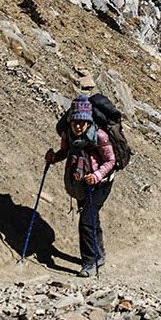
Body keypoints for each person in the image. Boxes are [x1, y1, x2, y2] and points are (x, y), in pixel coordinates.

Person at [46, 93, 115, 276]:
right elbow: (64, 152)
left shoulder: (100, 136)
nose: (77, 126)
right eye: (74, 122)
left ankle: (90, 263)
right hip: (81, 184)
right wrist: (53, 158)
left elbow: (110, 161)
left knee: (86, 221)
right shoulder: (67, 134)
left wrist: (97, 175)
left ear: (88, 121)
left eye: (81, 123)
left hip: (101, 184)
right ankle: (99, 255)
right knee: (91, 218)